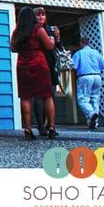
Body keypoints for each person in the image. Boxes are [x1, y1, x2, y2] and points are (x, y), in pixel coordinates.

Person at [11, 6, 56, 140]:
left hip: (23, 66)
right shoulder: (39, 30)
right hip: (39, 64)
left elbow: (13, 48)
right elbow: (49, 46)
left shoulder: (17, 32)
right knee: (46, 96)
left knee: (25, 97)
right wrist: (52, 39)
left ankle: (28, 128)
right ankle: (52, 128)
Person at [33, 7, 61, 136]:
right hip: (38, 65)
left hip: (51, 65)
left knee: (51, 94)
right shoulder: (32, 30)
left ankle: (51, 126)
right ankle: (40, 125)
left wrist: (58, 38)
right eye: (38, 15)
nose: (41, 17)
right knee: (39, 96)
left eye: (43, 15)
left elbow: (58, 48)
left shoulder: (51, 29)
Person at [72, 38, 104, 129]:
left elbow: (74, 67)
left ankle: (91, 115)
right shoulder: (96, 53)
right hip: (97, 76)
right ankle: (95, 123)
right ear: (88, 43)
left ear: (81, 43)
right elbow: (103, 66)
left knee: (83, 99)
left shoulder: (78, 53)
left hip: (85, 76)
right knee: (95, 99)